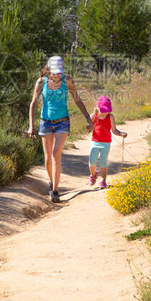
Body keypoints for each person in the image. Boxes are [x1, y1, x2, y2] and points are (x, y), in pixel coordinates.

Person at [27, 55, 93, 203]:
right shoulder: (41, 82)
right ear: (48, 70)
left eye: (59, 72)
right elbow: (33, 104)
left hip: (63, 122)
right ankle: (52, 181)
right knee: (47, 158)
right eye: (54, 72)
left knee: (56, 154)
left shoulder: (67, 81)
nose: (57, 75)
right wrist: (31, 126)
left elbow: (77, 100)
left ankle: (55, 191)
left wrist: (88, 118)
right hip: (45, 122)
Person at [87, 95, 127, 189]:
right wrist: (89, 127)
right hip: (95, 142)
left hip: (106, 143)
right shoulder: (94, 116)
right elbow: (88, 126)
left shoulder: (110, 117)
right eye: (103, 111)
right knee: (92, 162)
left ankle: (103, 181)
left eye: (107, 111)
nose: (105, 113)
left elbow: (114, 130)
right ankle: (93, 175)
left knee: (103, 163)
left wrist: (121, 133)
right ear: (97, 108)